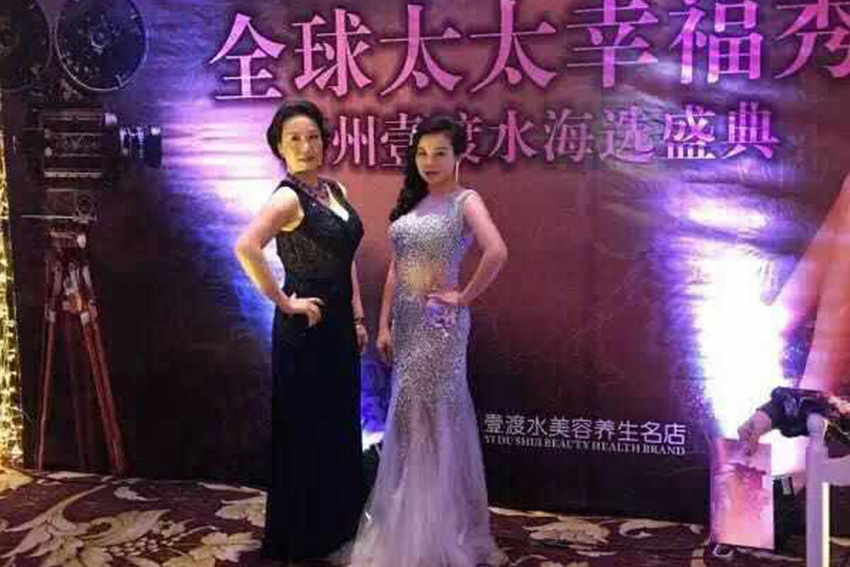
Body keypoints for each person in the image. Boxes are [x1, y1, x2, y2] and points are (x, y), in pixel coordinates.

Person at [350, 115, 509, 567]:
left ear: (459, 155)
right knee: (409, 420)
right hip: (406, 324)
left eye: (440, 152)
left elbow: (497, 251)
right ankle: (411, 521)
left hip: (440, 325)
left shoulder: (465, 201)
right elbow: (397, 269)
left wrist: (463, 296)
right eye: (421, 153)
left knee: (436, 420)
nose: (429, 161)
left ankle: (439, 531)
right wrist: (384, 324)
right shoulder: (414, 203)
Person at [234, 100, 367, 565]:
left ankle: (337, 526)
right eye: (294, 139)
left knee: (338, 426)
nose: (306, 146)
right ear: (279, 147)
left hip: (339, 326)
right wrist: (285, 301)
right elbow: (246, 246)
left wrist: (357, 316)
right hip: (305, 329)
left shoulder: (335, 189)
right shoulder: (287, 198)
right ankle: (305, 538)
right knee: (306, 432)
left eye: (313, 137)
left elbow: (347, 260)